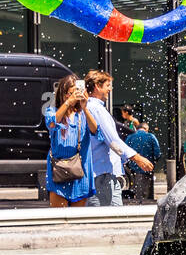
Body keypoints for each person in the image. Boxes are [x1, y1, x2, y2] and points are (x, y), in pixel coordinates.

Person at [83, 70, 152, 207]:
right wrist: (137, 158)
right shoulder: (95, 109)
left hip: (105, 172)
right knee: (103, 219)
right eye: (108, 85)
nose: (110, 89)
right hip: (100, 174)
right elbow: (112, 140)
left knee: (115, 215)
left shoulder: (95, 108)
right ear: (97, 86)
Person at [44, 74, 96, 207]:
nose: (75, 96)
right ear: (64, 94)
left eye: (77, 92)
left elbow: (95, 131)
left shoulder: (84, 114)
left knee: (77, 223)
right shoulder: (52, 110)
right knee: (58, 220)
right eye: (71, 93)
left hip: (80, 173)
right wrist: (67, 103)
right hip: (59, 172)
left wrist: (85, 107)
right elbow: (51, 123)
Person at [124, 119, 162, 202]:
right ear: (146, 129)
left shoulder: (130, 137)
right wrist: (154, 162)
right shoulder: (151, 136)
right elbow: (157, 153)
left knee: (136, 193)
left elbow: (124, 152)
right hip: (147, 169)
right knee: (147, 196)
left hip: (132, 171)